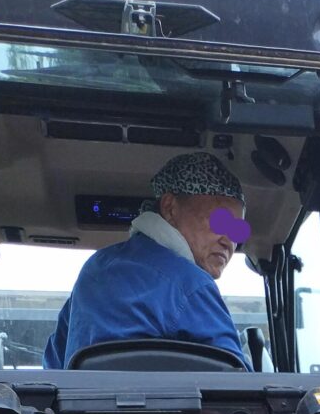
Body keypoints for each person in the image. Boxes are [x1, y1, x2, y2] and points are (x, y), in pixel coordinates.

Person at [44, 153, 249, 368]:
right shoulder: (192, 286)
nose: (229, 240)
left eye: (237, 230)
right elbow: (241, 383)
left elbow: (54, 365)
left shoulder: (94, 269)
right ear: (170, 208)